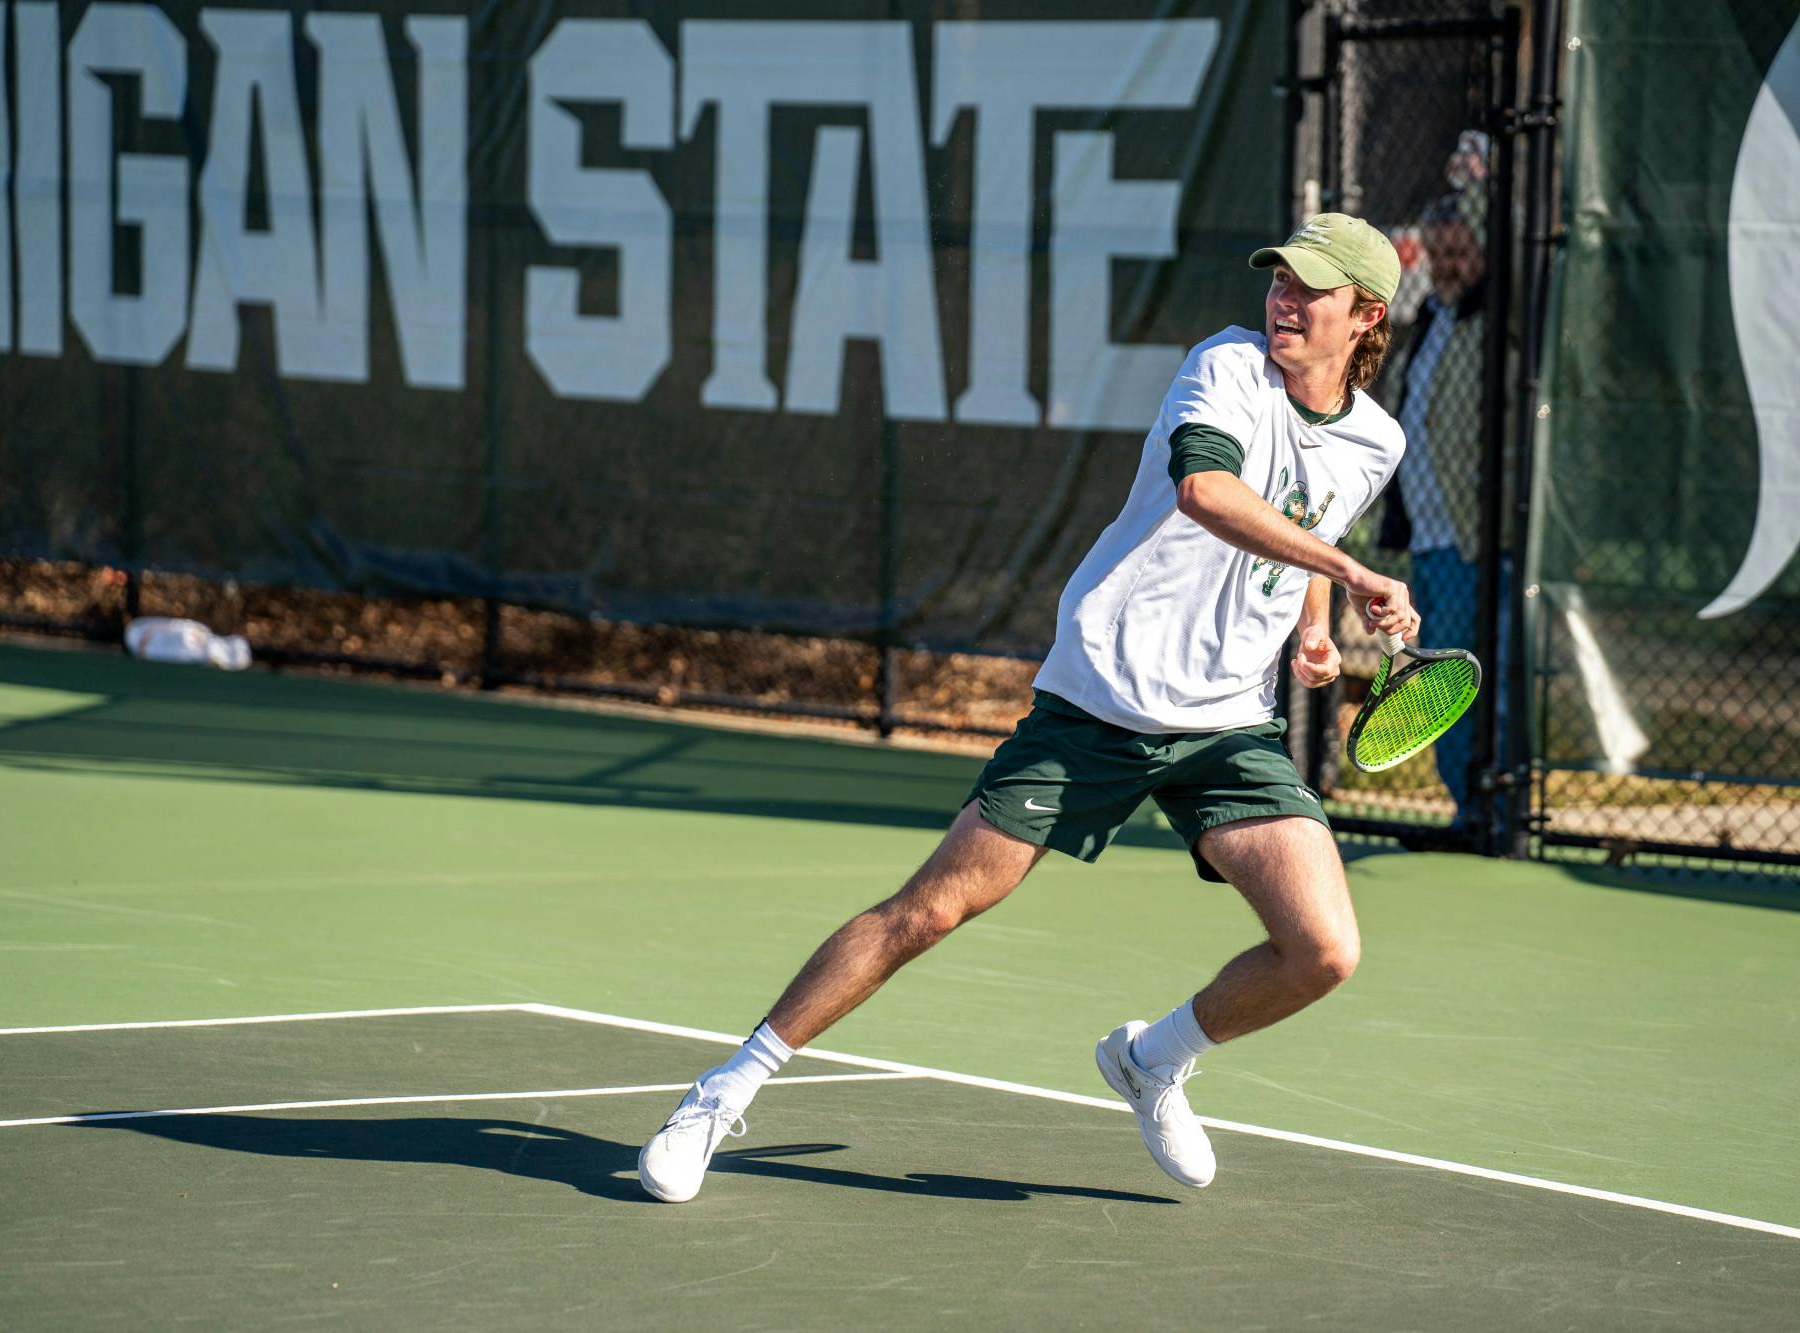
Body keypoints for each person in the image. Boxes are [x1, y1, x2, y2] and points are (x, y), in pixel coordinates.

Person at [639, 213, 1419, 1203]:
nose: (1282, 299)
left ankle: (1152, 1058)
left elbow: (1309, 518)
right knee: (927, 910)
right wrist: (1347, 575)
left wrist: (1312, 623)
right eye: (1278, 279)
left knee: (1324, 950)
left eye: (1308, 289)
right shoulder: (1224, 366)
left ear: (1365, 316)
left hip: (1226, 723)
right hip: (1103, 696)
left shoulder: (1374, 439)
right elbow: (1206, 492)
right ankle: (721, 1089)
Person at [1375, 192, 1504, 828]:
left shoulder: (1499, 321)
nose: (1450, 266)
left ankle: (1488, 811)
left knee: (1469, 677)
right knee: (1441, 678)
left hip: (1471, 539)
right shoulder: (1432, 315)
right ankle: (1466, 808)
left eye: (1462, 252)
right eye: (1441, 253)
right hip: (1428, 536)